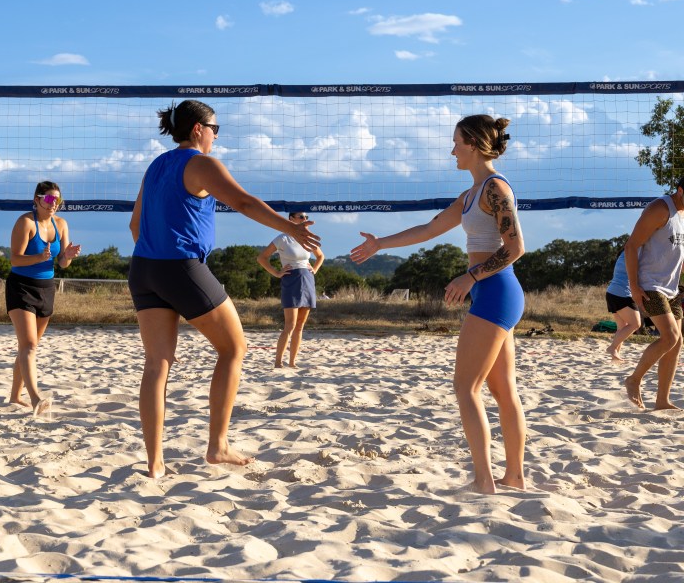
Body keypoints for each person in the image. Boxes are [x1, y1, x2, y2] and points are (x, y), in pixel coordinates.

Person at [129, 99, 321, 478]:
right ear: (198, 129)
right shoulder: (200, 163)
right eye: (215, 128)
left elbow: (135, 225)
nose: (217, 135)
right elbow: (244, 201)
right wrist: (290, 227)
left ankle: (155, 464)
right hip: (179, 266)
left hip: (143, 268)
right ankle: (217, 446)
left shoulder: (156, 166)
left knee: (157, 364)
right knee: (235, 347)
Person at [351, 114, 526, 494]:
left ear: (475, 145)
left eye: (457, 143)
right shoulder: (471, 195)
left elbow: (515, 248)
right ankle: (513, 477)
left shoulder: (496, 188)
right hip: (493, 290)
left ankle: (484, 481)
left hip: (496, 290)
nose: (452, 151)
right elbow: (429, 229)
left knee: (466, 388)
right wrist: (380, 243)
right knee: (501, 390)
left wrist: (471, 276)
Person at [6, 181, 81, 416]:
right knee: (28, 345)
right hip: (21, 286)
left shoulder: (61, 224)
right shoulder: (26, 222)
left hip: (46, 288)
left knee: (30, 347)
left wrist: (67, 256)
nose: (53, 204)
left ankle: (14, 396)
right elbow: (15, 259)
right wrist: (38, 257)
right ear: (37, 200)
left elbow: (62, 264)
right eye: (48, 199)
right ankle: (36, 398)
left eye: (57, 200)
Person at [621, 177, 684, 410]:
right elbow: (631, 246)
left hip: (671, 287)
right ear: (680, 190)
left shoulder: (682, 215)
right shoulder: (660, 208)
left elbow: (676, 255)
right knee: (669, 337)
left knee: (676, 343)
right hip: (650, 285)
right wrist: (634, 286)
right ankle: (634, 379)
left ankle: (662, 401)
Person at [257, 212, 325, 368]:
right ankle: (278, 362)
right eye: (301, 217)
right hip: (290, 278)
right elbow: (262, 258)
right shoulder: (282, 238)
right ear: (291, 219)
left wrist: (314, 268)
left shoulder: (307, 237)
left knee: (300, 325)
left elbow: (321, 256)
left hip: (307, 278)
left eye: (306, 217)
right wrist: (276, 273)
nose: (304, 220)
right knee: (290, 324)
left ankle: (292, 362)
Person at [604, 253, 642, 362]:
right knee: (635, 324)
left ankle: (615, 356)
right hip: (621, 294)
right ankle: (612, 348)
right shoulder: (635, 252)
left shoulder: (625, 253)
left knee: (622, 327)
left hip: (612, 292)